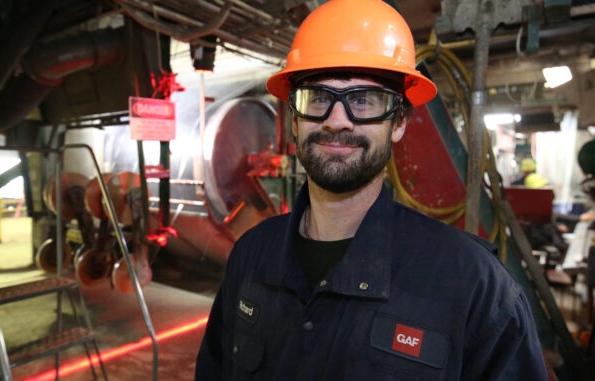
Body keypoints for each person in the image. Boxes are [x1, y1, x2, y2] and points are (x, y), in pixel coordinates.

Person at [195, 0, 548, 379]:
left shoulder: (475, 287)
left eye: (363, 100)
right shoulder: (251, 255)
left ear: (399, 122)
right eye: (317, 97)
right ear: (294, 120)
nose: (336, 121)